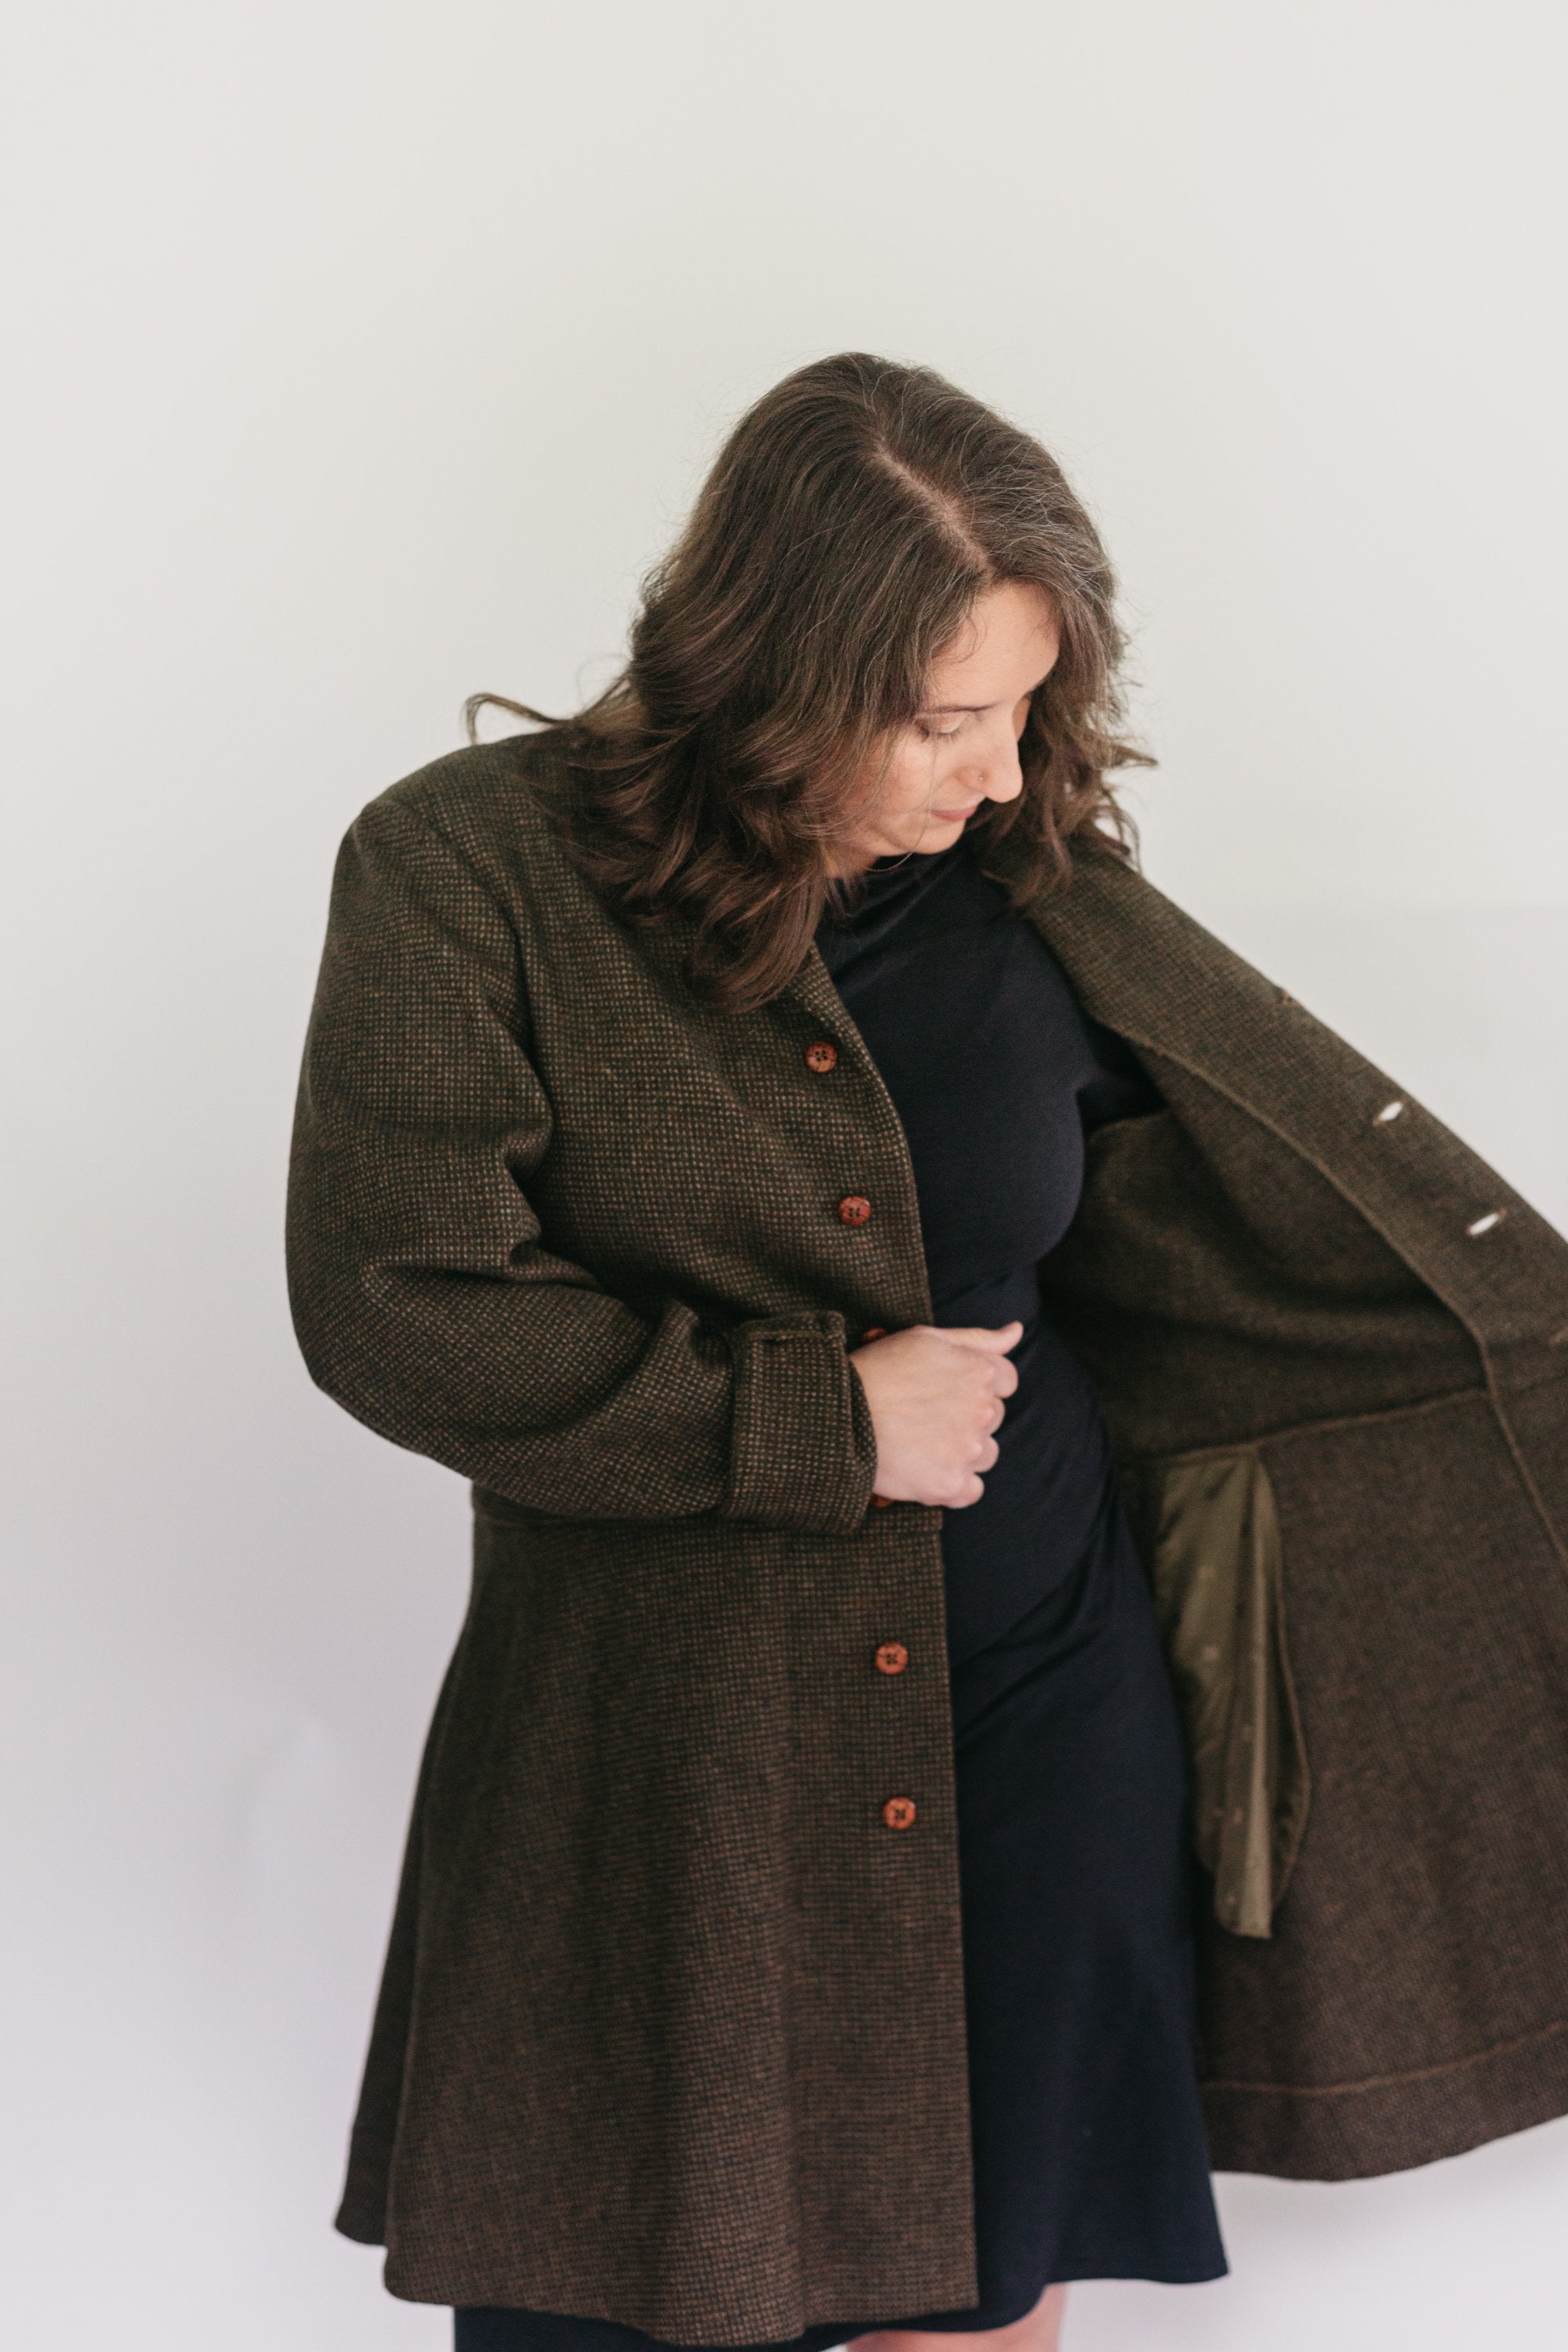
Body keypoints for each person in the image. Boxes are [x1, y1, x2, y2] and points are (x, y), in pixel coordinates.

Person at [286, 354, 1568, 2352]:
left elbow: (1227, 1230)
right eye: (941, 718)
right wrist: (816, 1421)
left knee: (976, 2309)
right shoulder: (468, 873)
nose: (989, 770)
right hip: (672, 1757)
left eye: (1025, 710)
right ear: (765, 671)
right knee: (635, 2298)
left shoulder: (1032, 887)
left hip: (1039, 1705)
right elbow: (397, 1301)